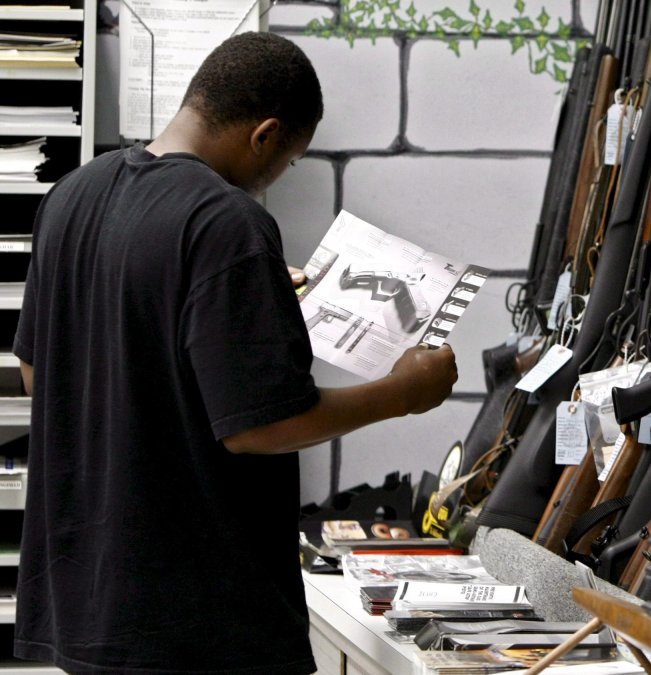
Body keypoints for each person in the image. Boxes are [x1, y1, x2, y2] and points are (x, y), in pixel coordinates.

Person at [13, 32, 458, 673]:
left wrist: (250, 312)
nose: (277, 176)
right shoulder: (228, 222)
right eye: (290, 160)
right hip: (197, 628)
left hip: (86, 607)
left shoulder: (70, 197)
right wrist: (402, 393)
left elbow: (39, 375)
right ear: (266, 135)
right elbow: (261, 427)